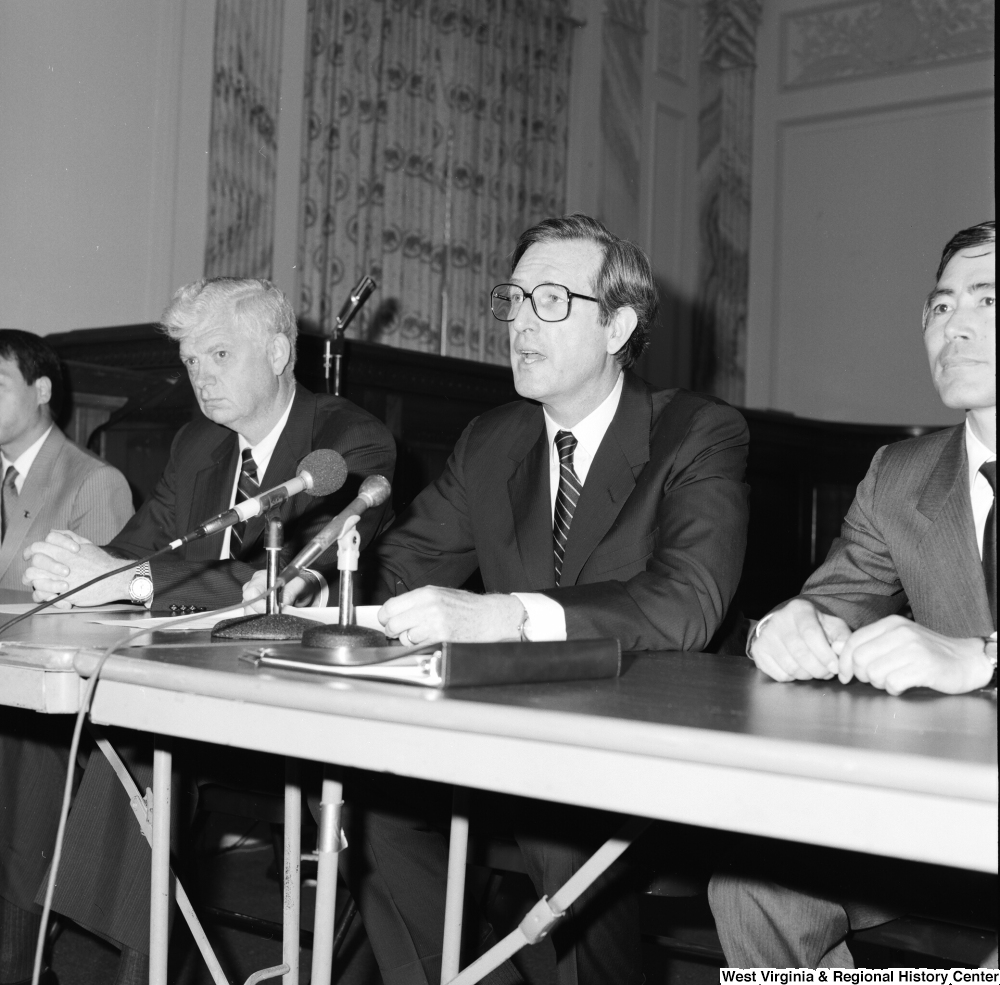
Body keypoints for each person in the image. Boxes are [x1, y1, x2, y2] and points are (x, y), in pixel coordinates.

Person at [346, 214, 750, 985]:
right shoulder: (494, 438)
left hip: (649, 737)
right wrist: (331, 583)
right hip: (511, 727)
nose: (521, 324)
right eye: (515, 299)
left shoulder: (698, 432)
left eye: (552, 302)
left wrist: (509, 615)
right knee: (366, 793)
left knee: (559, 810)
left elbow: (686, 602)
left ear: (617, 325)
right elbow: (404, 560)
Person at [17, 278, 396, 984]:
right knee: (32, 734)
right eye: (191, 361)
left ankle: (129, 964)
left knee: (128, 748)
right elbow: (140, 550)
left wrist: (124, 583)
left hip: (295, 689)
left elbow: (273, 586)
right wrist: (73, 571)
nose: (201, 377)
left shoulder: (345, 441)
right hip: (187, 674)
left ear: (280, 351)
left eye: (219, 353)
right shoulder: (197, 443)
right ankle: (27, 951)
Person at [709, 220, 997, 968]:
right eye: (940, 307)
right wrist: (788, 625)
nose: (954, 326)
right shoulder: (899, 474)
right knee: (751, 881)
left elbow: (970, 657)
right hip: (936, 822)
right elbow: (834, 600)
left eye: (987, 299)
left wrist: (981, 659)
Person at [0, 329, 134, 985]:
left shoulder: (95, 482)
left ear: (42, 391)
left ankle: (19, 962)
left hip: (55, 707)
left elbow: (110, 624)